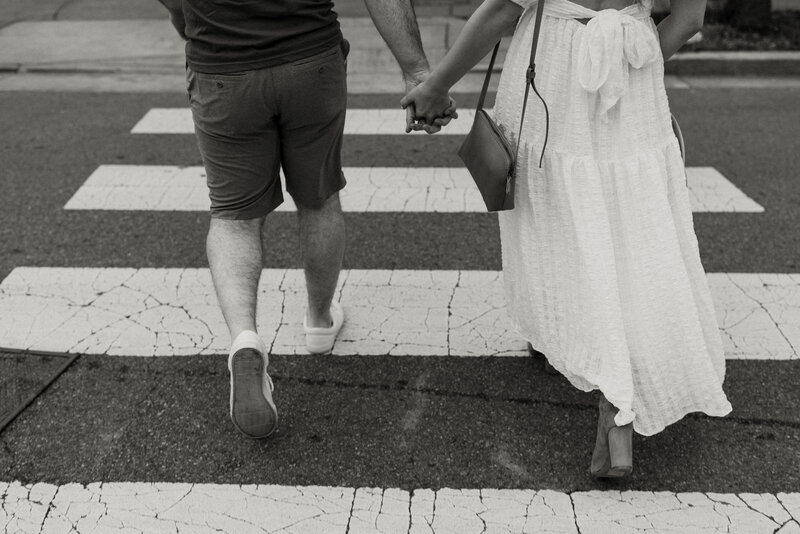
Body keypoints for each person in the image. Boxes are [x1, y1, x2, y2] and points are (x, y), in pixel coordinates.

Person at [402, 0, 732, 477]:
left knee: (558, 218)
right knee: (635, 228)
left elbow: (501, 12)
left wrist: (434, 86)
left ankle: (595, 370)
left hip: (556, 68)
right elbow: (689, 19)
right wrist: (626, 62)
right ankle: (616, 409)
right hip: (632, 69)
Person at [157, 0, 455, 439]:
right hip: (310, 60)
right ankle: (319, 321)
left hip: (222, 65)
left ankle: (244, 337)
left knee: (234, 219)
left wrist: (189, 21)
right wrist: (417, 71)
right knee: (319, 200)